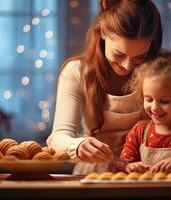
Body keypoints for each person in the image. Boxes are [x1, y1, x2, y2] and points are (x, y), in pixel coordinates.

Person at [46, 0, 162, 175]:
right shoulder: (77, 71)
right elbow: (57, 138)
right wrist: (78, 146)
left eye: (140, 56)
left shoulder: (161, 72)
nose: (128, 66)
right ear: (102, 33)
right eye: (119, 54)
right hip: (93, 175)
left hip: (146, 175)